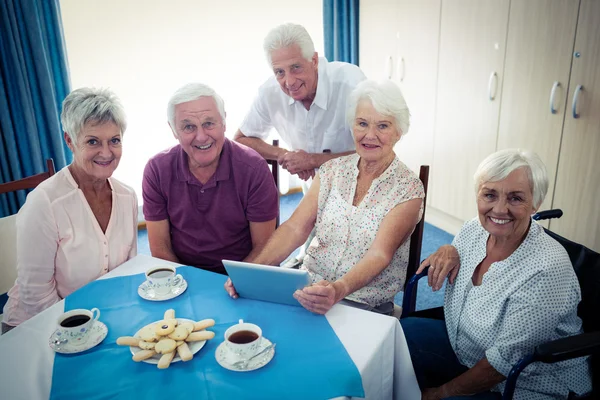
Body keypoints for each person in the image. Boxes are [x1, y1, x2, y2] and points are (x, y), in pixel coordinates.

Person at [402, 149, 592, 399]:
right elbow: (456, 252)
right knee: (400, 335)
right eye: (490, 194)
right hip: (468, 349)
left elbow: (504, 363)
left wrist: (439, 393)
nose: (499, 209)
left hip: (526, 382)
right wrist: (448, 248)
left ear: (536, 203)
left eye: (515, 198)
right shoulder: (474, 229)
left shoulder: (548, 269)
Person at [226, 80, 424, 315]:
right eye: (362, 123)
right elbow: (294, 228)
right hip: (308, 287)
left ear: (398, 132)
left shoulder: (408, 188)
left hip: (363, 302)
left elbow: (379, 254)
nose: (370, 135)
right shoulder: (332, 171)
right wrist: (250, 271)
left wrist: (337, 290)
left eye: (383, 126)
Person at [2, 88, 138, 334]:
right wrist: (85, 331)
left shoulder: (127, 197)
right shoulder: (44, 203)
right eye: (93, 141)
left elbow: (128, 274)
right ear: (70, 141)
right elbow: (36, 296)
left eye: (114, 140)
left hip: (99, 320)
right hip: (38, 327)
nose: (106, 152)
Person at [234, 22, 366, 267]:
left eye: (296, 67)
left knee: (343, 268)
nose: (289, 81)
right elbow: (241, 139)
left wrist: (313, 160)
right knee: (305, 260)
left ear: (314, 60)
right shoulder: (269, 93)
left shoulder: (351, 84)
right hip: (313, 200)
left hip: (360, 192)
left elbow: (373, 154)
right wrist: (286, 155)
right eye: (279, 72)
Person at [142, 83, 278, 275]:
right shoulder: (156, 170)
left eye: (209, 123)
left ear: (224, 123)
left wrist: (234, 284)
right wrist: (188, 284)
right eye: (188, 127)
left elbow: (264, 249)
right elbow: (160, 249)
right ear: (174, 130)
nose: (201, 137)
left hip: (243, 275)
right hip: (184, 276)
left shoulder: (254, 169)